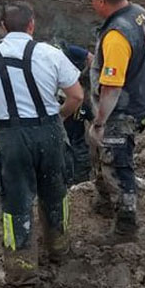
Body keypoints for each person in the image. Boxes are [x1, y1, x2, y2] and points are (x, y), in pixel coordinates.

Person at [0, 1, 83, 288]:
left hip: (12, 136)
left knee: (15, 203)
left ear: (2, 27)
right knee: (55, 193)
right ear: (32, 25)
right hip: (49, 132)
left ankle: (22, 271)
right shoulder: (51, 53)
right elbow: (76, 96)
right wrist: (57, 118)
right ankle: (59, 250)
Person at [84, 0, 145, 240]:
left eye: (92, 1)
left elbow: (112, 86)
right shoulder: (141, 14)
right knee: (102, 156)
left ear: (101, 0)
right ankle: (103, 202)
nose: (92, 5)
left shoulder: (117, 35)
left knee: (117, 164)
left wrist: (101, 121)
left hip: (119, 109)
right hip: (137, 97)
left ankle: (126, 225)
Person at [60, 43, 94, 185]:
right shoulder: (50, 98)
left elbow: (95, 121)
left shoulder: (83, 102)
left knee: (81, 182)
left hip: (78, 145)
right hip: (59, 144)